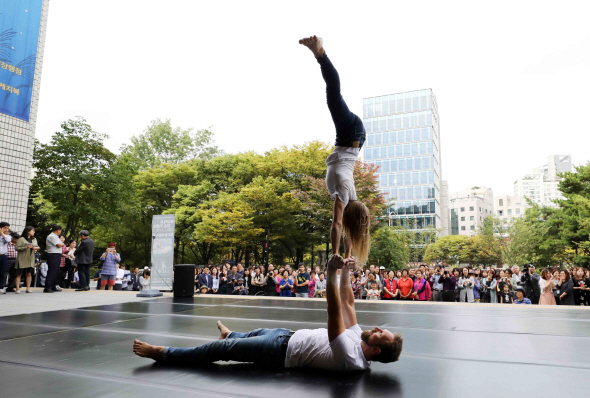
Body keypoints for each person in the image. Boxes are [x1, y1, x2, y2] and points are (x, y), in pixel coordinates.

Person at [133, 254, 403, 371]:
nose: (378, 328)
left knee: (220, 351)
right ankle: (232, 334)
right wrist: (346, 270)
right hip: (284, 335)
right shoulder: (360, 338)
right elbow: (348, 304)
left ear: (377, 350)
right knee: (244, 335)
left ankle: (164, 353)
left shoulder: (352, 358)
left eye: (382, 334)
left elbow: (334, 314)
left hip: (277, 352)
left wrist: (331, 272)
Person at [300, 36, 371, 268]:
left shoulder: (349, 194)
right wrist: (335, 254)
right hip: (352, 133)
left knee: (333, 98)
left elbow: (349, 229)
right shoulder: (344, 189)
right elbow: (337, 224)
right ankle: (320, 53)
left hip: (349, 142)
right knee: (333, 97)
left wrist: (347, 255)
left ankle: (320, 54)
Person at [14, 226, 39, 294]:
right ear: (28, 231)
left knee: (29, 273)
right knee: (19, 274)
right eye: (32, 231)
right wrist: (25, 247)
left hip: (30, 259)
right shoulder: (21, 239)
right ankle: (17, 289)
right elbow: (17, 248)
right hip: (22, 259)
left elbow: (37, 246)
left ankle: (28, 288)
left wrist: (35, 248)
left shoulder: (34, 239)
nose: (34, 232)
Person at [44, 225, 65, 293]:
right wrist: (62, 244)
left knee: (56, 271)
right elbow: (59, 245)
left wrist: (62, 244)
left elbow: (61, 244)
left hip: (57, 254)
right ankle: (48, 287)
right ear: (58, 230)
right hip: (53, 254)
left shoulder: (56, 237)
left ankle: (53, 286)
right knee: (52, 271)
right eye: (60, 230)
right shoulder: (52, 236)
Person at [0, 222, 12, 293]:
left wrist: (2, 233)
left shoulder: (7, 236)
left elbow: (8, 240)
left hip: (3, 256)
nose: (6, 229)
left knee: (2, 272)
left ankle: (0, 287)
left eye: (7, 228)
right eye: (5, 228)